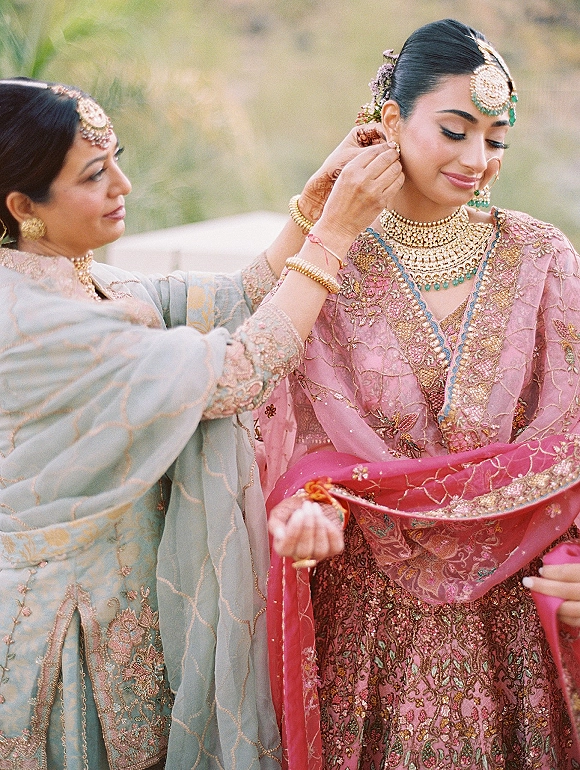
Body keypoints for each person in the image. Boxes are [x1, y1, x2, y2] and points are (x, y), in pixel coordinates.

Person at [0, 77, 404, 769]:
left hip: (125, 593)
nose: (123, 184)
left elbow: (232, 299)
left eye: (117, 159)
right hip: (63, 628)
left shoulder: (83, 282)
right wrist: (337, 234)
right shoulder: (35, 320)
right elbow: (239, 371)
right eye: (95, 175)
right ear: (22, 206)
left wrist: (310, 207)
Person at [258, 19, 580, 769]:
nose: (478, 160)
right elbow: (280, 423)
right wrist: (304, 503)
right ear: (390, 121)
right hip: (367, 622)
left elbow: (574, 439)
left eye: (496, 139)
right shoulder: (329, 255)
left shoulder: (540, 255)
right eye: (456, 130)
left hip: (513, 623)